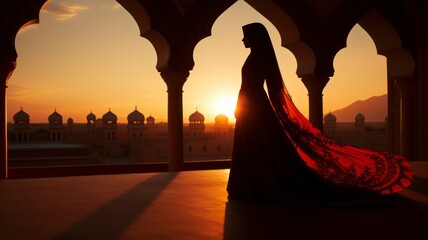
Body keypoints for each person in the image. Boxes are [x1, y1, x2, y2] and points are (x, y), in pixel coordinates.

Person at [226, 22, 413, 205]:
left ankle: (254, 185)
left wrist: (278, 114)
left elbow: (271, 89)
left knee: (260, 147)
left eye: (246, 36)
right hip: (251, 108)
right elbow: (247, 87)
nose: (243, 40)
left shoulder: (259, 58)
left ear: (254, 37)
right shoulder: (255, 57)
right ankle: (250, 184)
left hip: (256, 109)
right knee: (257, 146)